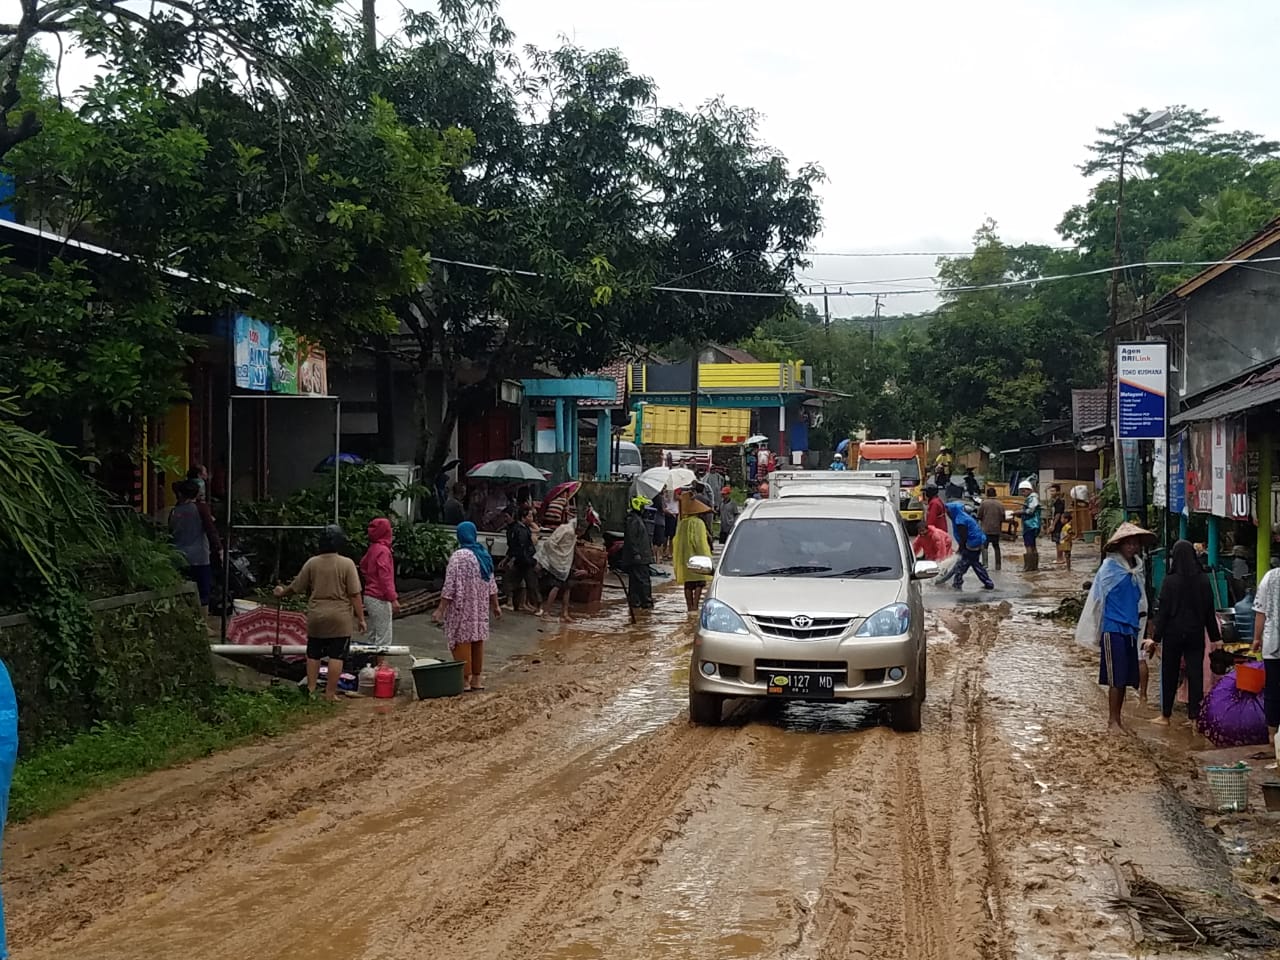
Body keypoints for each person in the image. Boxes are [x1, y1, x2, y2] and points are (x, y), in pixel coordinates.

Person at [1075, 522, 1155, 732]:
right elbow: (1097, 601)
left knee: (1126, 677)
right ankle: (1113, 721)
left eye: (1135, 543)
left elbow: (1142, 600)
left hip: (1131, 628)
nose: (1132, 547)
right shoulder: (1109, 569)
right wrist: (1095, 629)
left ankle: (1119, 719)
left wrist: (1147, 625)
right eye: (1128, 543)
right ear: (1120, 545)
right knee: (1115, 677)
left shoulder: (1137, 569)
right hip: (1113, 628)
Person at [274, 525, 365, 701]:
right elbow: (355, 594)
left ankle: (311, 689)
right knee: (336, 655)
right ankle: (330, 694)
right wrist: (361, 618)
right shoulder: (347, 564)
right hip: (339, 617)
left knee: (313, 653)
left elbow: (296, 587)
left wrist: (281, 592)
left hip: (316, 615)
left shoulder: (312, 563)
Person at [1149, 540, 1221, 727]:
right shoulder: (1203, 580)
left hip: (1173, 634)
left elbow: (1163, 613)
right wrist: (1216, 639)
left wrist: (1155, 639)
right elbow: (1209, 612)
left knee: (1169, 673)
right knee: (1195, 673)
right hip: (1195, 633)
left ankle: (1165, 716)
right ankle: (1194, 718)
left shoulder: (1170, 581)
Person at [434, 521, 501, 692]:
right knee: (477, 641)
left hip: (461, 608)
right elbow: (492, 584)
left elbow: (449, 586)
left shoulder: (458, 557)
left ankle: (464, 680)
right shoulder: (483, 555)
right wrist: (496, 606)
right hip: (480, 609)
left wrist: (441, 609)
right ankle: (477, 680)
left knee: (461, 640)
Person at [169, 479, 223, 619]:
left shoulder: (174, 511)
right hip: (200, 557)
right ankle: (203, 624)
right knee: (203, 591)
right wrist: (219, 549)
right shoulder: (201, 508)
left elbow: (169, 533)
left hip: (179, 557)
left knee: (183, 591)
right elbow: (211, 530)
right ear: (197, 493)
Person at [360, 517, 400, 646]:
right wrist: (393, 598)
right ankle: (382, 664)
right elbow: (385, 577)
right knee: (384, 635)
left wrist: (370, 579)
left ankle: (371, 663)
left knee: (374, 632)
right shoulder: (383, 551)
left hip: (369, 595)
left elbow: (363, 565)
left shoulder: (373, 548)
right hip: (379, 597)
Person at [536, 510, 580, 622]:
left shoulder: (573, 532)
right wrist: (554, 558)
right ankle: (546, 613)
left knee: (567, 587)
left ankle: (564, 614)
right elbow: (549, 544)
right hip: (560, 562)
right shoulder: (567, 530)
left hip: (566, 563)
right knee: (557, 586)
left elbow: (573, 548)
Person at [674, 492, 714, 612]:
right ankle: (695, 607)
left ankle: (689, 607)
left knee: (688, 583)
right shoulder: (699, 523)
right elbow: (699, 542)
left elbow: (676, 541)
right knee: (699, 582)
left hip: (685, 557)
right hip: (697, 556)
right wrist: (706, 558)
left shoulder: (682, 523)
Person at [1255, 562, 1280, 746]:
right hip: (1272, 644)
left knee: (1272, 690)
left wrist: (1256, 638)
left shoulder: (1269, 577)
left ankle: (1272, 735)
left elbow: (1260, 613)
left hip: (1272, 644)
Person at [945, 500, 995, 591]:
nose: (947, 514)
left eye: (948, 511)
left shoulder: (960, 520)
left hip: (972, 545)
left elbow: (963, 536)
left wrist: (961, 549)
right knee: (973, 564)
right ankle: (987, 583)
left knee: (963, 565)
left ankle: (957, 584)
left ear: (953, 511)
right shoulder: (962, 517)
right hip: (976, 543)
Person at [505, 504, 543, 615]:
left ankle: (535, 606)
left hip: (524, 562)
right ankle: (519, 604)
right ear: (523, 517)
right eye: (530, 517)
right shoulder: (521, 530)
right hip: (524, 561)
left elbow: (521, 548)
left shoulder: (521, 529)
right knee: (526, 584)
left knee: (530, 585)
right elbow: (521, 548)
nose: (531, 519)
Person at [621, 495, 655, 609]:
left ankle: (636, 603)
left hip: (641, 556)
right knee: (642, 581)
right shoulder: (633, 520)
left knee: (636, 581)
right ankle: (646, 602)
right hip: (639, 557)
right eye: (643, 507)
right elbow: (632, 538)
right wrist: (636, 554)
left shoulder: (636, 519)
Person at [977, 487, 1005, 571]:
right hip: (996, 529)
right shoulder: (1000, 504)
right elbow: (1003, 517)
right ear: (995, 494)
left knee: (984, 546)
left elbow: (979, 516)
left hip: (986, 529)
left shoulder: (984, 503)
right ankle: (998, 565)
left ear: (987, 494)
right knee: (996, 546)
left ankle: (985, 564)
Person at [1019, 480, 1041, 572]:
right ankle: (1034, 566)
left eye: (1023, 491)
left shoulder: (1032, 498)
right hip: (1033, 525)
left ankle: (1029, 566)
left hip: (1030, 525)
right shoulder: (1032, 498)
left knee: (1028, 545)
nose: (1022, 493)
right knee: (1032, 545)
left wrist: (1020, 512)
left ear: (1029, 490)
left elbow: (1030, 510)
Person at [650, 491, 670, 562]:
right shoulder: (660, 498)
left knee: (654, 541)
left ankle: (655, 558)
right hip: (660, 521)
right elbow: (663, 509)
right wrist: (671, 513)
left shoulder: (652, 497)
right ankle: (657, 559)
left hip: (654, 520)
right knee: (658, 542)